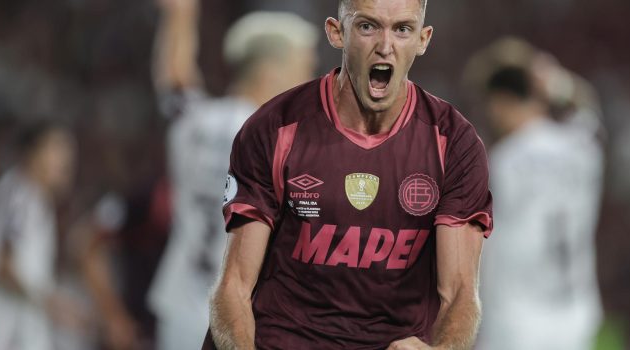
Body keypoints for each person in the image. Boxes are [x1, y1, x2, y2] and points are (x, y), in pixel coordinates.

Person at [204, 0, 494, 349]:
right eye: (367, 26)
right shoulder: (275, 128)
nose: (385, 47)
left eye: (402, 29)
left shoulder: (453, 143)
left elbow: (461, 294)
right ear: (336, 32)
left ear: (423, 39)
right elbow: (233, 285)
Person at [148, 1, 320, 348]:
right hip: (241, 317)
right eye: (303, 71)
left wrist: (180, 16)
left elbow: (174, 80)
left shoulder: (196, 121)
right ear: (271, 75)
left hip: (180, 308)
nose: (313, 85)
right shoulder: (281, 145)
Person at [474, 66, 603, 350]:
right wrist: (558, 83)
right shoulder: (583, 148)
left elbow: (482, 237)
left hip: (515, 319)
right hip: (574, 315)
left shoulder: (506, 160)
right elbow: (590, 110)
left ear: (501, 102)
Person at [0, 122, 76, 350]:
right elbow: (2, 268)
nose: (66, 158)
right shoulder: (19, 196)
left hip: (20, 334)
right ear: (32, 153)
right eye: (56, 148)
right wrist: (50, 302)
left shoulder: (37, 201)